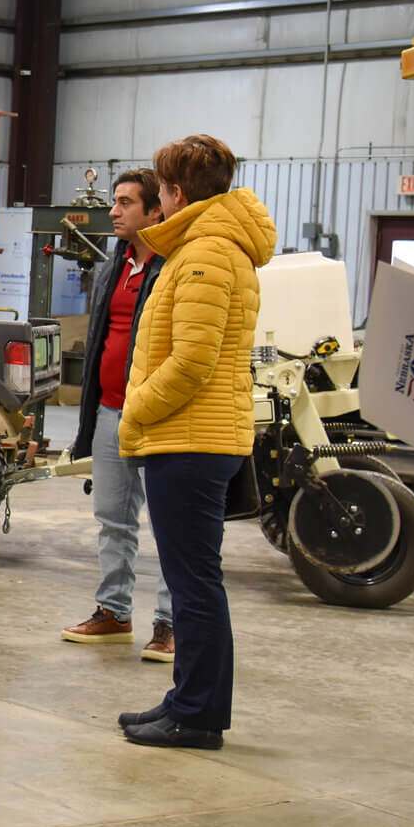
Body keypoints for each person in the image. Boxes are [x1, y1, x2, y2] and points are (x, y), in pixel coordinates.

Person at [116, 135, 274, 750]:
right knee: (191, 581)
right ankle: (187, 700)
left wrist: (134, 415)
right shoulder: (205, 248)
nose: (158, 198)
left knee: (195, 583)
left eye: (160, 188)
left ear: (178, 193)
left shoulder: (206, 253)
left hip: (189, 441)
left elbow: (191, 363)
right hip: (194, 437)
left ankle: (200, 715)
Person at [63, 169, 174, 663]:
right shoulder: (116, 263)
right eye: (114, 202)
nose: (113, 211)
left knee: (170, 525)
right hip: (110, 410)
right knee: (113, 519)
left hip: (156, 414)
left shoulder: (172, 267)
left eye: (126, 203)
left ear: (155, 211)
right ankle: (114, 611)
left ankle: (171, 623)